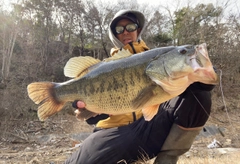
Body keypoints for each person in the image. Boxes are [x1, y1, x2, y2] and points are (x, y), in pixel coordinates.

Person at [64, 9, 215, 164]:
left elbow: (194, 88)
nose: (125, 32)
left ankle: (167, 160)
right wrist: (91, 112)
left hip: (148, 128)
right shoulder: (103, 68)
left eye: (130, 27)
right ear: (114, 35)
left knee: (199, 93)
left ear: (138, 29)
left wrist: (203, 77)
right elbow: (89, 116)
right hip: (112, 131)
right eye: (119, 29)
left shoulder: (160, 58)